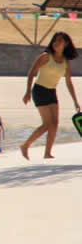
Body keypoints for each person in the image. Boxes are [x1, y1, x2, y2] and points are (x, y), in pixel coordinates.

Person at [20, 32, 80, 160]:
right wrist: (28, 91)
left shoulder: (65, 62)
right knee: (47, 124)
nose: (56, 43)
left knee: (55, 123)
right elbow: (31, 73)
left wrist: (75, 101)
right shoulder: (46, 57)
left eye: (60, 41)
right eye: (55, 40)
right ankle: (25, 145)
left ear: (66, 44)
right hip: (39, 90)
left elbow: (69, 83)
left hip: (52, 92)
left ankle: (47, 153)